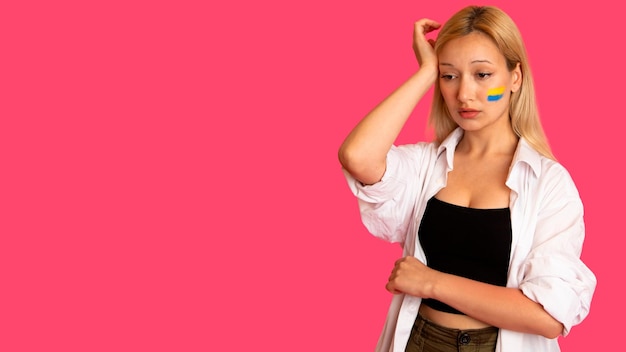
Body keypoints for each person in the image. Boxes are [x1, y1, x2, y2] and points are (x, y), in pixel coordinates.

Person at [338, 5, 596, 352]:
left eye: (483, 75)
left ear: (515, 78)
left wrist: (432, 283)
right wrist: (426, 71)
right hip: (420, 341)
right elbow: (357, 156)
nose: (464, 94)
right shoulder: (426, 164)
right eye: (450, 76)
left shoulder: (548, 183)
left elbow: (547, 316)